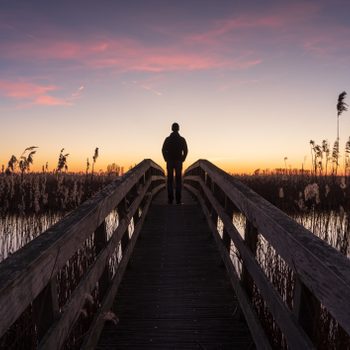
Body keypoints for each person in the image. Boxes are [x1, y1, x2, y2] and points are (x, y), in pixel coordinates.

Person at [162, 123, 188, 204]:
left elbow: (163, 149)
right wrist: (182, 159)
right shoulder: (182, 139)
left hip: (170, 161)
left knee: (169, 180)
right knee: (178, 180)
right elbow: (186, 150)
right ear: (178, 129)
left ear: (172, 129)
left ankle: (170, 200)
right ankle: (178, 200)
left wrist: (166, 159)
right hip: (178, 161)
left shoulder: (167, 139)